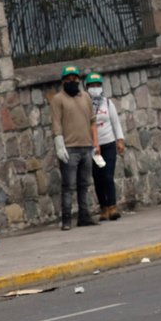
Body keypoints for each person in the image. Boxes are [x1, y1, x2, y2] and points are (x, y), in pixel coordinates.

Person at [50, 65, 100, 230]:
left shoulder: (85, 97)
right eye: (68, 78)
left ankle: (84, 216)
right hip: (69, 148)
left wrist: (95, 143)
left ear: (79, 79)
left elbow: (92, 121)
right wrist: (59, 144)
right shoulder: (58, 99)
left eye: (75, 78)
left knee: (84, 184)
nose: (72, 81)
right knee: (68, 185)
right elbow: (56, 123)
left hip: (86, 146)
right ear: (63, 81)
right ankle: (66, 219)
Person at [85, 72, 125, 221]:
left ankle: (113, 206)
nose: (95, 88)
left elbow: (115, 122)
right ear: (86, 87)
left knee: (108, 176)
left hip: (108, 144)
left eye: (97, 85)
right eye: (92, 86)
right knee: (98, 178)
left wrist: (120, 140)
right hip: (94, 147)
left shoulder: (107, 103)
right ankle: (103, 207)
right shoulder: (85, 105)